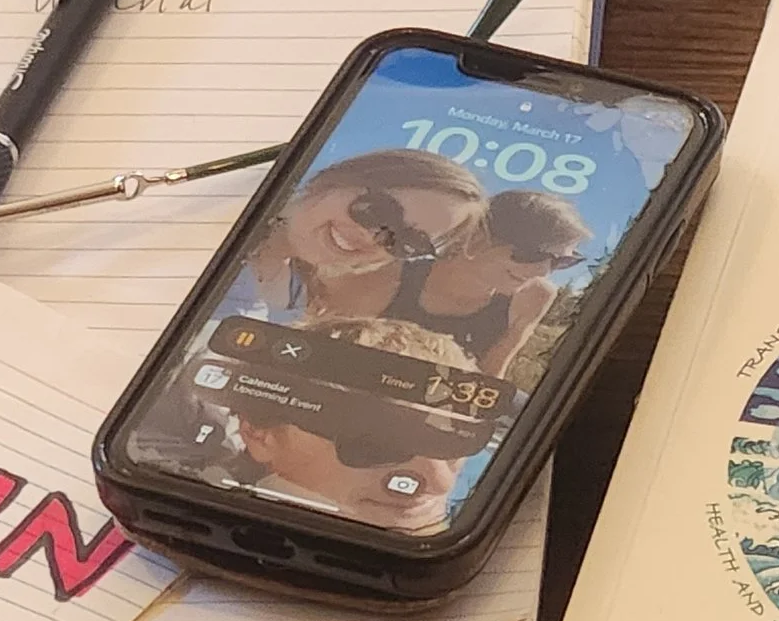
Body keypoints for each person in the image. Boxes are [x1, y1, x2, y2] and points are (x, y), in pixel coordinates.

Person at [219, 315, 485, 533]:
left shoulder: (484, 495)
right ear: (258, 435)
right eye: (384, 443)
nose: (441, 483)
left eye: (454, 442)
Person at [236, 149, 486, 322]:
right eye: (378, 209)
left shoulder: (297, 297)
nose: (371, 237)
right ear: (341, 178)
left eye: (407, 241)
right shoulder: (234, 220)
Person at [400, 189, 593, 380]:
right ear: (478, 235)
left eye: (561, 262)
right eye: (532, 254)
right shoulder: (396, 274)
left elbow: (489, 380)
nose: (543, 271)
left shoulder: (533, 295)